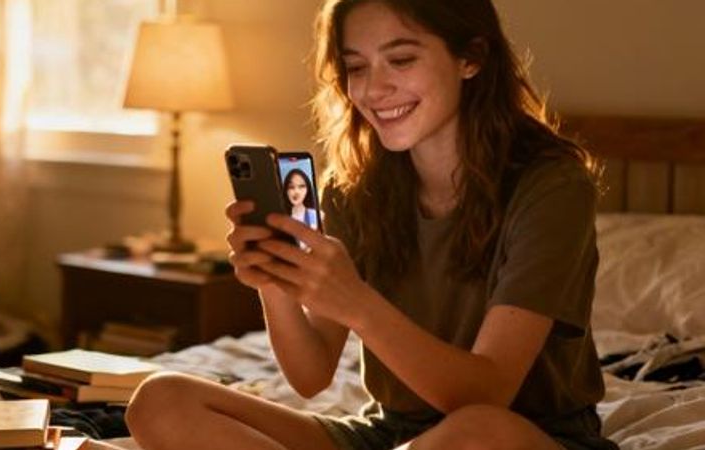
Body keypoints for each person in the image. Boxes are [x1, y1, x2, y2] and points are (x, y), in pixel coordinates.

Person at [125, 0, 619, 449]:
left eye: (400, 60)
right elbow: (311, 376)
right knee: (162, 399)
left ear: (471, 58)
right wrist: (273, 281)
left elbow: (486, 395)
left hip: (517, 436)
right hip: (392, 436)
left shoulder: (553, 186)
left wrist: (358, 303)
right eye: (356, 67)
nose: (372, 89)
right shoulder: (354, 189)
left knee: (477, 432)